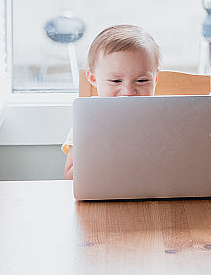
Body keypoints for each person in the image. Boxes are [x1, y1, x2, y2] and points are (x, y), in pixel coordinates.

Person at [62, 24, 160, 180]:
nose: (128, 92)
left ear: (155, 78)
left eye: (142, 80)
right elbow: (70, 175)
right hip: (103, 199)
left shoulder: (165, 117)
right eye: (115, 81)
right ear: (93, 79)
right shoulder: (87, 119)